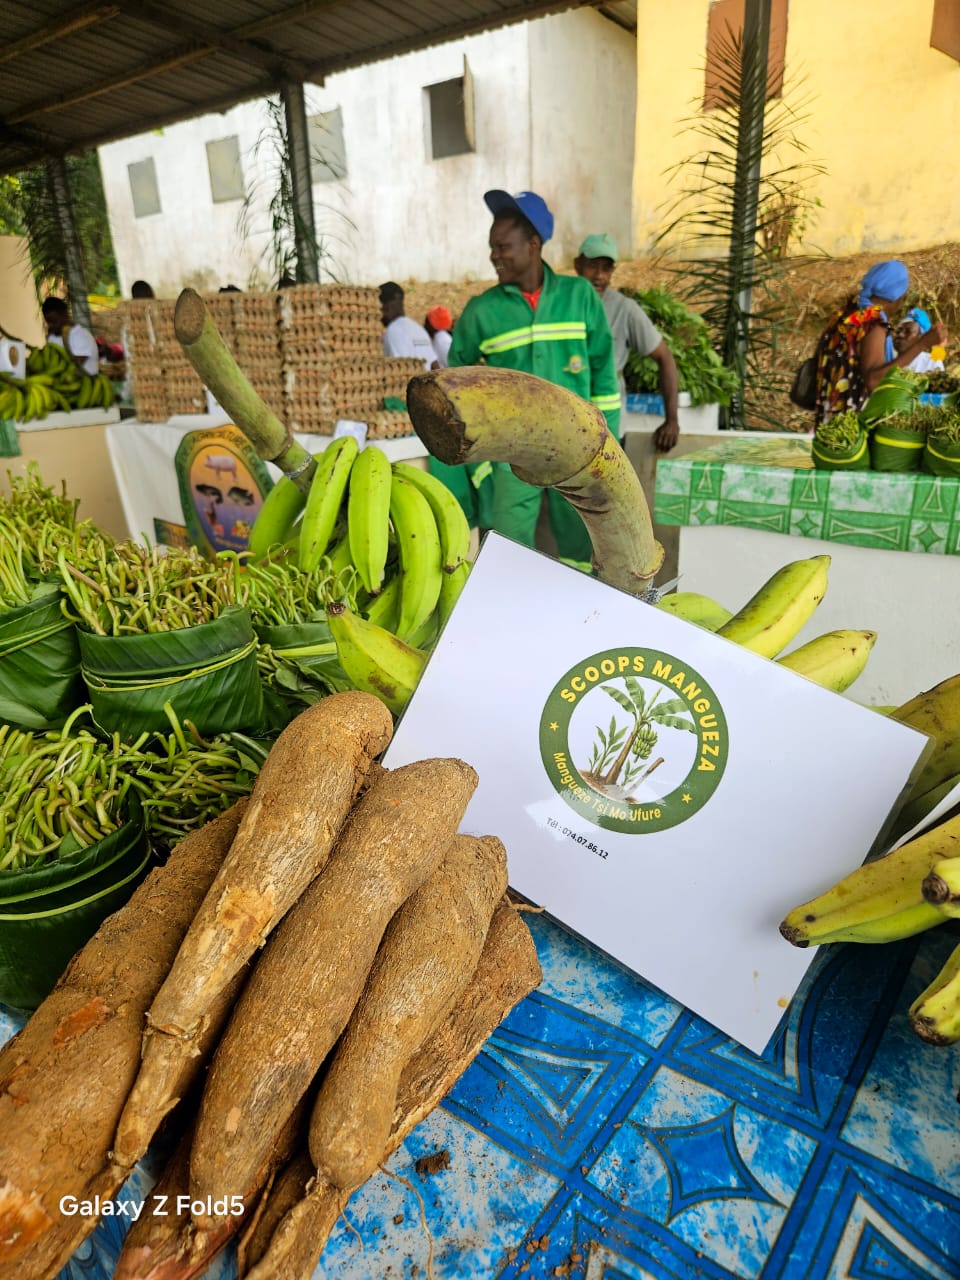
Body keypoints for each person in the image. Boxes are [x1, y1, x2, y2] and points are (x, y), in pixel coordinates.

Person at [440, 189, 621, 567]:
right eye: (492, 247)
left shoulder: (580, 297)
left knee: (585, 549)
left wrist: (608, 446)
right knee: (507, 553)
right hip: (510, 457)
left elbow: (604, 373)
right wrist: (482, 462)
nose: (494, 255)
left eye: (503, 246)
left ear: (533, 244)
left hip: (579, 452)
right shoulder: (480, 312)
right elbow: (456, 392)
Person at [574, 233, 681, 453]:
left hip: (608, 425)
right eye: (592, 266)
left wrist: (672, 420)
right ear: (578, 265)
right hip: (567, 419)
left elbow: (664, 357)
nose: (599, 276)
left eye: (606, 268)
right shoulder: (562, 304)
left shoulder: (624, 309)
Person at [813, 260, 948, 425]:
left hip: (828, 416)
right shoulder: (873, 325)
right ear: (895, 297)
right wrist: (921, 345)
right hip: (851, 424)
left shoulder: (846, 314)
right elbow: (873, 381)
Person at [379, 282, 436, 370]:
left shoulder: (393, 331)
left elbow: (399, 371)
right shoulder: (419, 329)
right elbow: (434, 365)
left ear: (385, 307)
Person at [41, 297, 98, 375]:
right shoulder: (52, 338)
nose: (51, 325)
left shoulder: (81, 335)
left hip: (85, 382)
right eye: (48, 322)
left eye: (54, 321)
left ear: (65, 315)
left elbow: (75, 367)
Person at [893, 307, 945, 374]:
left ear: (921, 337)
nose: (900, 334)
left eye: (908, 332)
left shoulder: (931, 363)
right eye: (899, 329)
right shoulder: (887, 358)